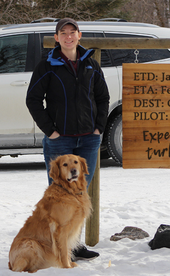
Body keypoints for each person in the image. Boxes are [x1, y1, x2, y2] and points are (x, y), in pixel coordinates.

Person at [26, 18, 110, 261]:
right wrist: (50, 131)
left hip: (88, 140)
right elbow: (33, 99)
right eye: (63, 33)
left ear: (79, 35)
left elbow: (103, 98)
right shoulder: (47, 65)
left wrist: (98, 128)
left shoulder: (91, 65)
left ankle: (75, 245)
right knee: (61, 195)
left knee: (80, 192)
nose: (68, 36)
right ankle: (58, 247)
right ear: (57, 38)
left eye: (72, 32)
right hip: (59, 142)